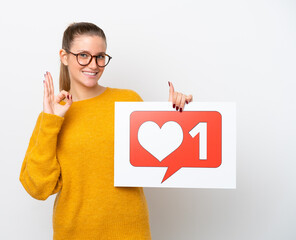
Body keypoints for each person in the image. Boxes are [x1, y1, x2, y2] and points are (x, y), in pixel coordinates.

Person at [19, 22, 193, 240]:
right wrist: (51, 121)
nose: (93, 65)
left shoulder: (128, 101)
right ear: (64, 56)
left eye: (100, 56)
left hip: (131, 231)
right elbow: (38, 188)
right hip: (73, 233)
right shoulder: (52, 117)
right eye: (83, 55)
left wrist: (177, 115)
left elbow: (158, 159)